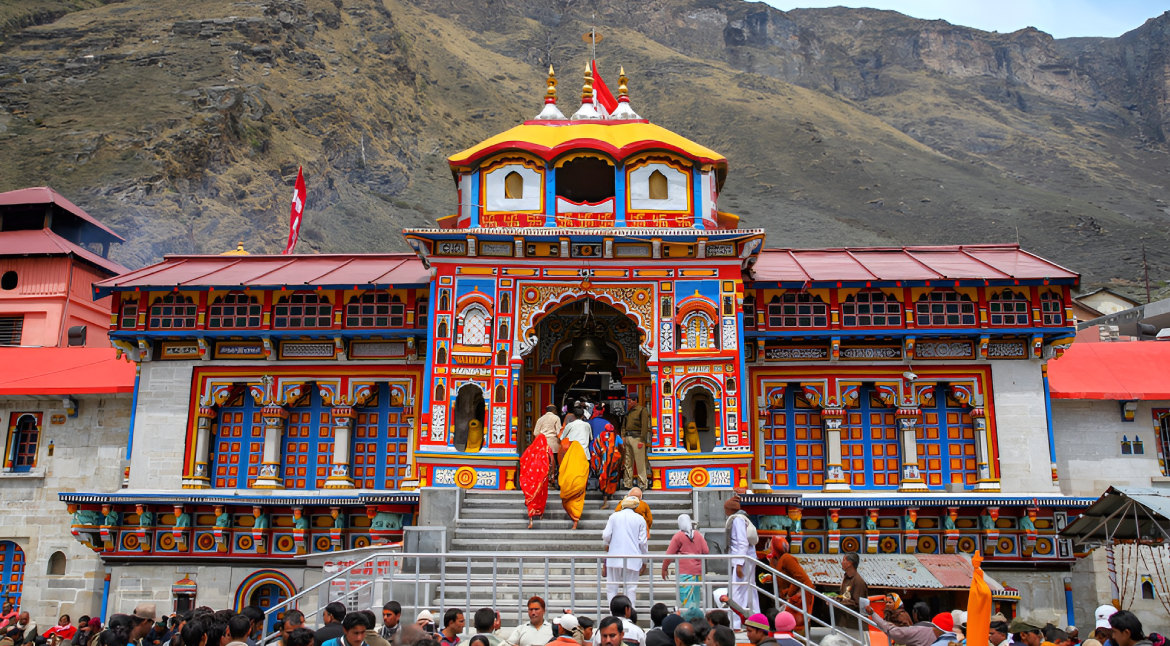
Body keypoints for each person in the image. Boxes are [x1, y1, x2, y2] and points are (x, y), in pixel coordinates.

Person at [603, 496, 649, 602]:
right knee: (631, 589)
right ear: (636, 506)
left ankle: (613, 614)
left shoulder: (614, 516)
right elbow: (643, 542)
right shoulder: (639, 519)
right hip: (633, 557)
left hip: (614, 556)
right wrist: (644, 559)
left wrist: (608, 544)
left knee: (612, 588)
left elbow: (606, 535)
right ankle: (630, 614)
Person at [662, 514, 710, 611]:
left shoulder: (678, 536)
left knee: (685, 600)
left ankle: (687, 620)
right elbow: (706, 550)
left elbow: (669, 555)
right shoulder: (698, 535)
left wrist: (664, 568)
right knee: (695, 599)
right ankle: (695, 620)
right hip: (697, 573)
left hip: (685, 573)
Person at [724, 496, 759, 629]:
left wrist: (739, 564)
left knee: (736, 592)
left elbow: (742, 543)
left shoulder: (738, 520)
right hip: (747, 559)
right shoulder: (742, 518)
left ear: (729, 509)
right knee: (750, 589)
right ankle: (757, 621)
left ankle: (735, 624)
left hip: (743, 560)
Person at [765, 537, 814, 632]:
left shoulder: (787, 558)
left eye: (771, 545)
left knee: (797, 626)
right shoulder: (777, 560)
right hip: (790, 599)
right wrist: (770, 578)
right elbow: (784, 576)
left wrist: (788, 594)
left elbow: (801, 579)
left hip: (798, 597)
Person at [559, 427, 590, 530]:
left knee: (567, 502)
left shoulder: (568, 458)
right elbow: (586, 471)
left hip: (568, 487)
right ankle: (575, 521)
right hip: (579, 487)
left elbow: (562, 470)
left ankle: (574, 520)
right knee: (578, 503)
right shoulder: (583, 460)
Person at [867, 603, 939, 646]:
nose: (887, 604)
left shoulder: (914, 630)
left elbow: (892, 630)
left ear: (915, 615)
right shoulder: (938, 630)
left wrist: (872, 614)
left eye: (890, 602)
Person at [590, 421, 625, 509]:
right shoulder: (616, 436)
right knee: (612, 477)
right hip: (613, 461)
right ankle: (608, 496)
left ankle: (605, 497)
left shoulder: (600, 436)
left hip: (603, 462)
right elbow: (622, 447)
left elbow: (595, 449)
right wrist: (622, 459)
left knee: (604, 477)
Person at [520, 432, 551, 529]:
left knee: (531, 499)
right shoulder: (547, 449)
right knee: (541, 496)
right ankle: (541, 514)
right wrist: (551, 471)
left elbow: (523, 459)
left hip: (532, 479)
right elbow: (552, 459)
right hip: (542, 477)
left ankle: (531, 521)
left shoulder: (530, 449)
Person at [622, 395, 651, 489]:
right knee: (628, 462)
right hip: (628, 437)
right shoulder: (629, 412)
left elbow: (644, 426)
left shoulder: (642, 410)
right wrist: (623, 436)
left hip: (637, 437)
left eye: (630, 401)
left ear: (635, 401)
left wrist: (642, 439)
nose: (628, 403)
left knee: (640, 462)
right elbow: (624, 425)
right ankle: (627, 483)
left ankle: (642, 483)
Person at [533, 405, 563, 481]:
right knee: (554, 461)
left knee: (543, 462)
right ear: (554, 411)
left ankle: (543, 479)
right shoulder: (556, 418)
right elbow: (558, 432)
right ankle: (552, 478)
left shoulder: (540, 419)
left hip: (543, 444)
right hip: (553, 443)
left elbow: (536, 433)